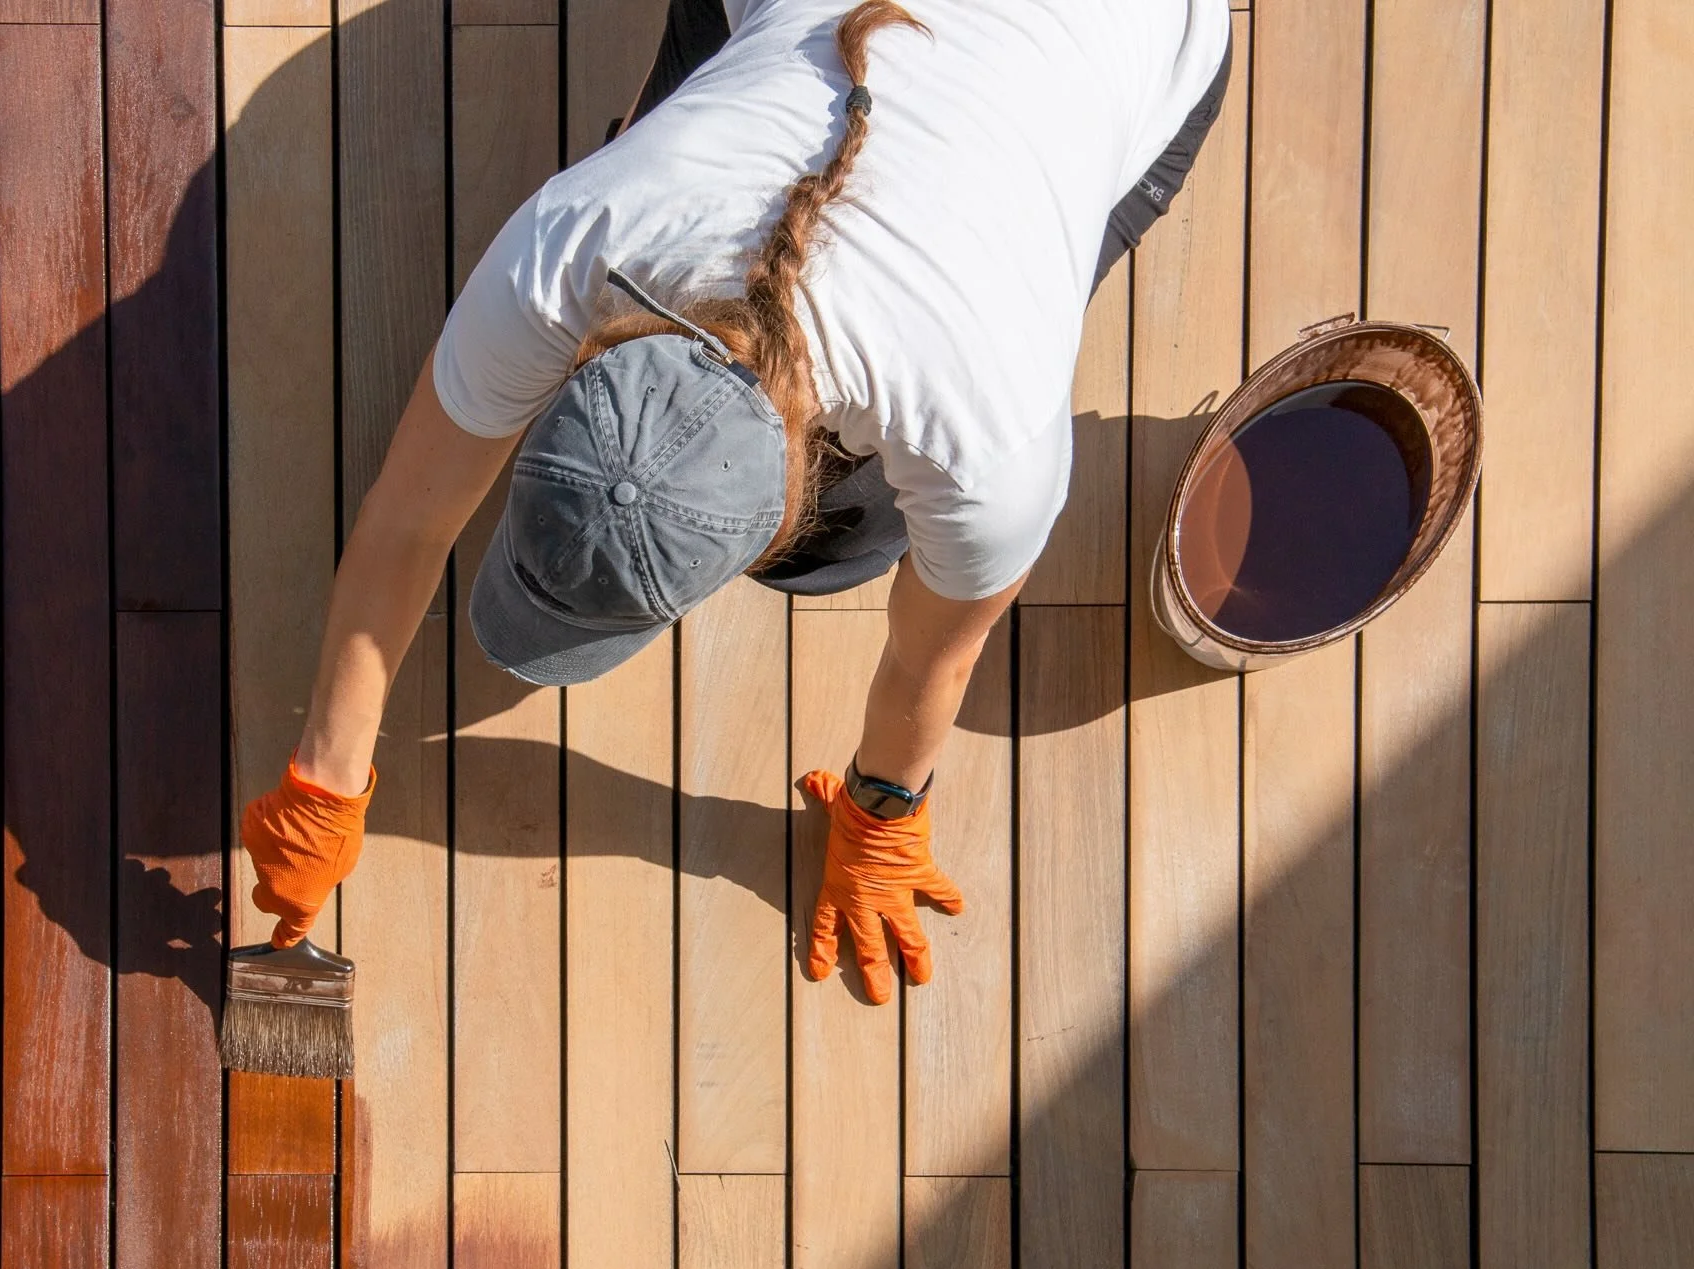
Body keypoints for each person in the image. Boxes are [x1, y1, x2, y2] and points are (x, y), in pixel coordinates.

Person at [241, 0, 1232, 1004]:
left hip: (1135, 38)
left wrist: (881, 818)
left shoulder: (981, 439)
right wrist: (322, 780)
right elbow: (410, 521)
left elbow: (933, 654)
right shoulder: (580, 234)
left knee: (837, 554)